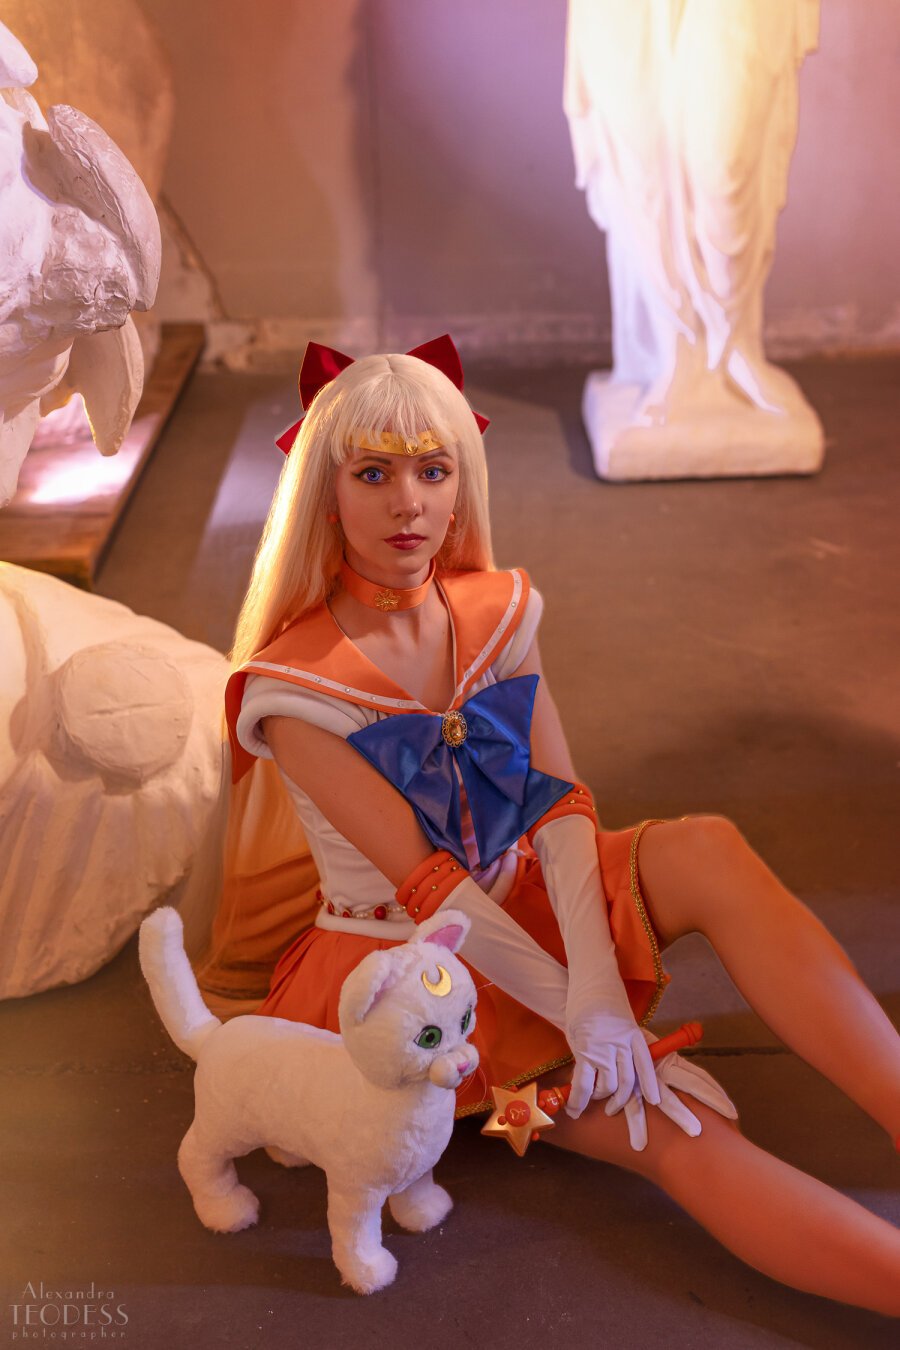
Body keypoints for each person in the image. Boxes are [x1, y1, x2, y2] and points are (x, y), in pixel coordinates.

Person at [208, 338, 900, 1314]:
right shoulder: (292, 690)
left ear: (463, 483)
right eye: (373, 474)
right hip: (418, 976)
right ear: (325, 490)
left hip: (530, 891)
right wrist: (573, 1004)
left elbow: (562, 803)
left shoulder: (498, 612)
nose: (408, 504)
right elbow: (431, 890)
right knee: (670, 1123)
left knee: (706, 846)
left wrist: (599, 990)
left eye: (432, 470)